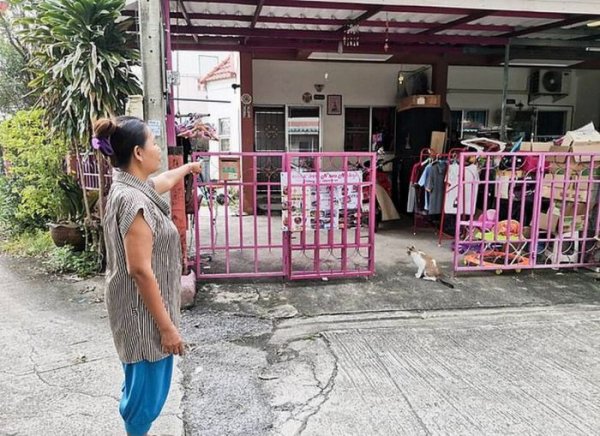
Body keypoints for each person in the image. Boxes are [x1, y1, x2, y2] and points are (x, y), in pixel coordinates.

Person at [92, 116, 202, 436]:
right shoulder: (133, 200)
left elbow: (163, 180)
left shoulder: (129, 185)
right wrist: (168, 329)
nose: (158, 150)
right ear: (139, 153)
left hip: (141, 312)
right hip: (145, 319)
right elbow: (139, 270)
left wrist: (187, 169)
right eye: (154, 143)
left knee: (142, 391)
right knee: (144, 401)